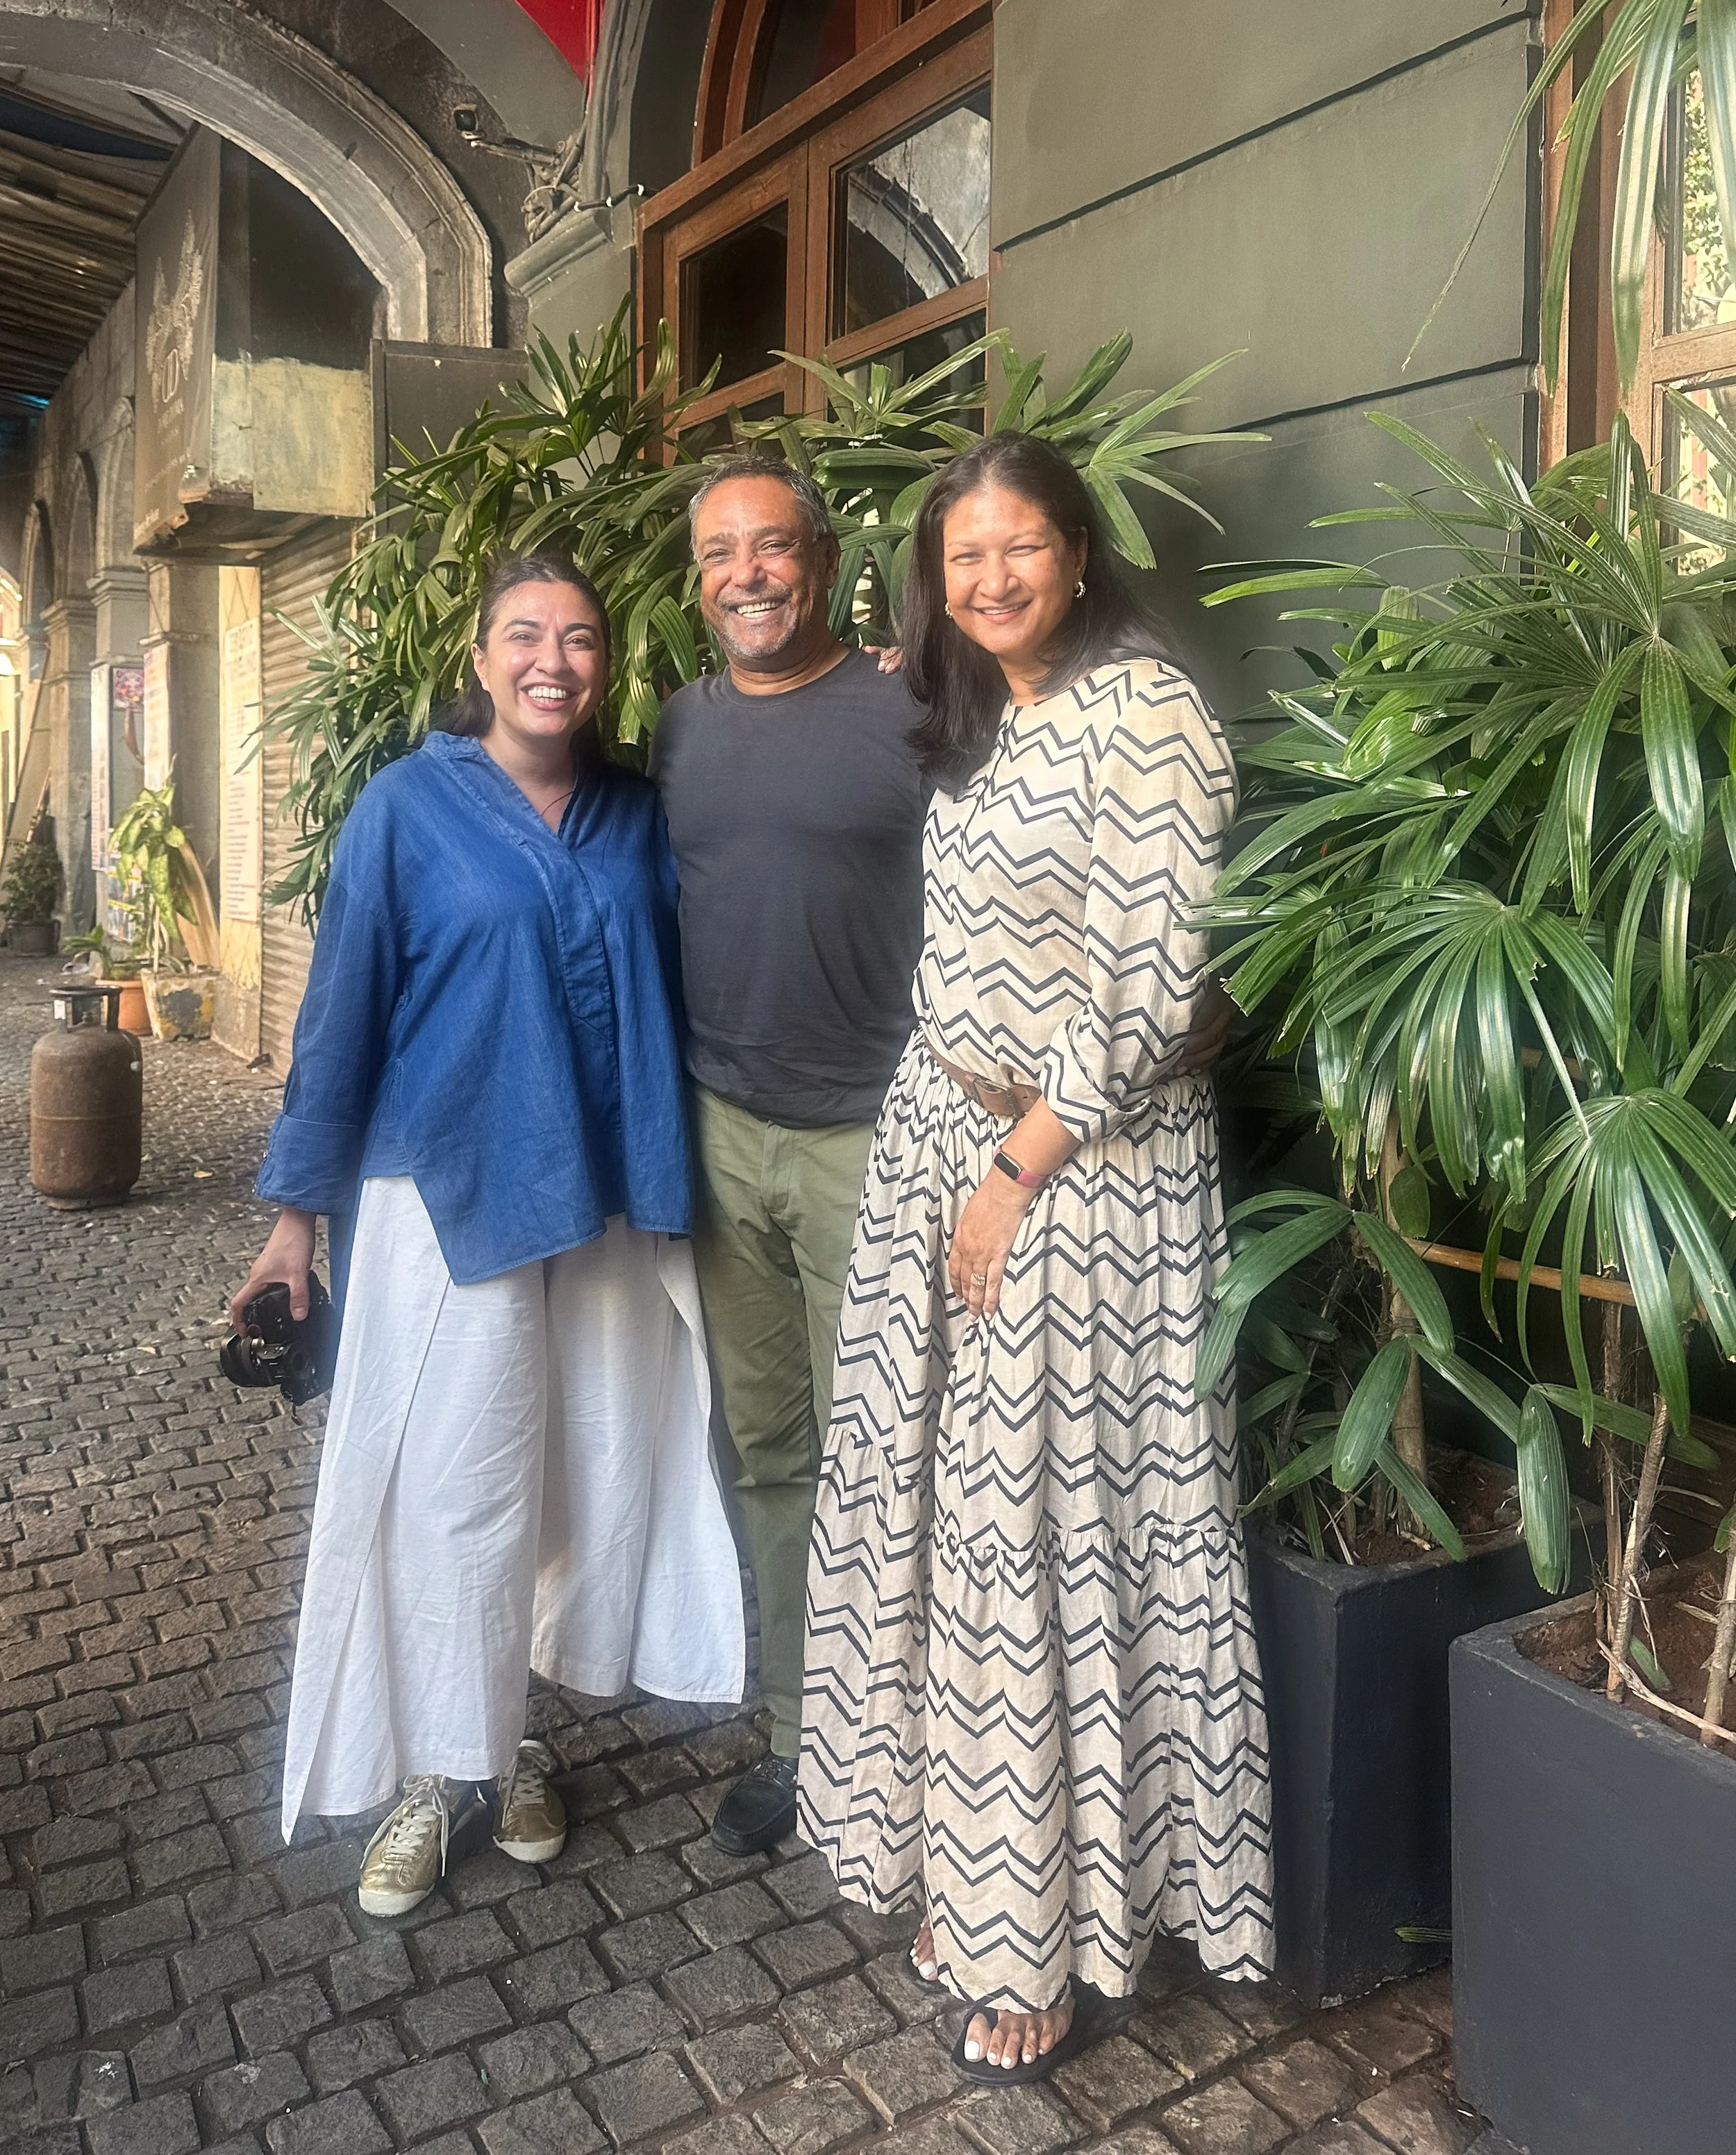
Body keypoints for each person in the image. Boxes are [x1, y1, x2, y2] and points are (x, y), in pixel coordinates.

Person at [799, 435, 1276, 2081]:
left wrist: (1010, 1172)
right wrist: (946, 1147)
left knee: (1039, 1544)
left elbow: (1147, 989)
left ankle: (1046, 1937)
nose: (990, 577)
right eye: (962, 557)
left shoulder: (1149, 713)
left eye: (1019, 546)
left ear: (1077, 551)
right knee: (940, 1526)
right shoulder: (983, 713)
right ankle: (975, 1870)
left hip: (1078, 1176)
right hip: (946, 1133)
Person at [235, 550, 744, 1916]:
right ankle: (430, 1774)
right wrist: (294, 1220)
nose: (551, 662)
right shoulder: (403, 810)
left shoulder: (637, 811)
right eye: (525, 635)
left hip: (607, 1193)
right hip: (449, 1196)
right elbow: (338, 1017)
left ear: (603, 666)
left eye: (579, 639)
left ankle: (505, 1739)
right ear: (478, 658)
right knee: (449, 1487)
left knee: (576, 1469)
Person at [649, 456, 928, 1854]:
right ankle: (797, 1733)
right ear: (698, 581)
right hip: (720, 1129)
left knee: (890, 1454)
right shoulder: (678, 727)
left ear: (820, 562)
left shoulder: (912, 709)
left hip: (869, 1136)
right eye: (720, 554)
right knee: (768, 1448)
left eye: (770, 548)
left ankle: (914, 1752)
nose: (746, 575)